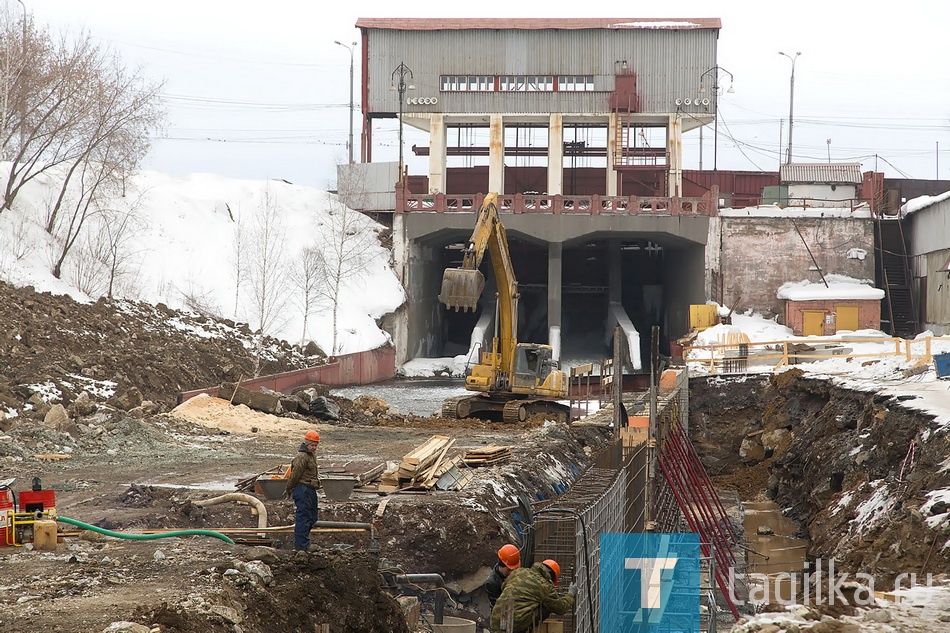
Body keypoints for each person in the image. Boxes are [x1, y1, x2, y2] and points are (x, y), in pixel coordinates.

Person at [489, 558, 577, 633]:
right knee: (547, 607)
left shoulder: (520, 572)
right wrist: (571, 594)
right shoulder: (545, 586)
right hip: (512, 626)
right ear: (551, 577)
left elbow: (503, 586)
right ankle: (525, 629)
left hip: (496, 621)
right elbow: (561, 608)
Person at [284, 429, 322, 551]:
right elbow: (294, 475)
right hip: (302, 489)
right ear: (306, 443)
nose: (314, 447)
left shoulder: (311, 456)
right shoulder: (302, 457)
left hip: (310, 489)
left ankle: (304, 542)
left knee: (312, 517)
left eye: (316, 445)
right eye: (312, 445)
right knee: (304, 517)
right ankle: (302, 546)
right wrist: (289, 489)